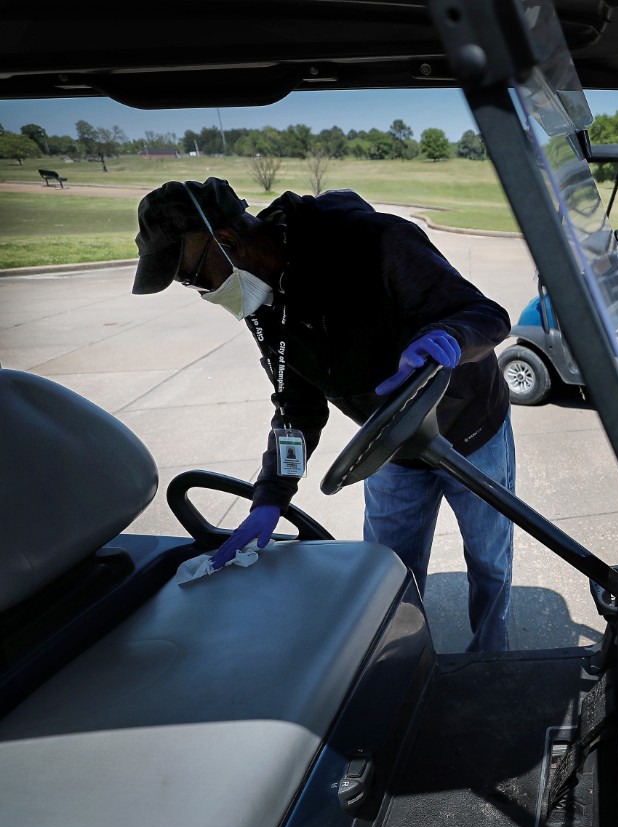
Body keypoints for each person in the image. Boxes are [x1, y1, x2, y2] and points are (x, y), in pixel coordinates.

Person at [132, 177, 515, 652]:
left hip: (471, 430)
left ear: (226, 242)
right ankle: (405, 658)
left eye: (193, 278)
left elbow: (486, 315)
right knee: (390, 568)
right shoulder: (265, 306)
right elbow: (295, 409)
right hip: (391, 444)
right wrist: (271, 494)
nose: (202, 292)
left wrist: (449, 339)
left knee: (489, 559)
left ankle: (492, 652)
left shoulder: (371, 241)